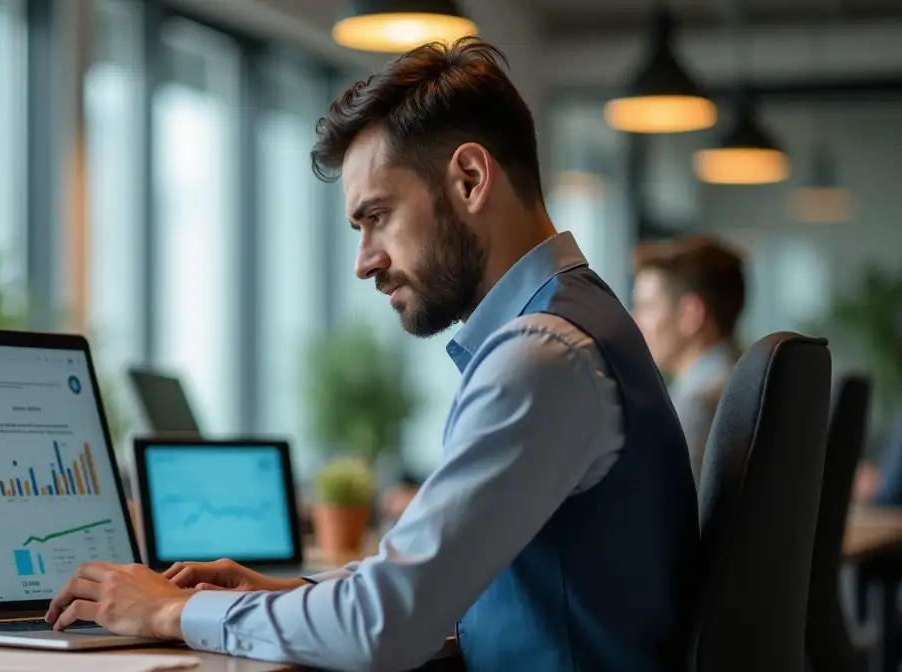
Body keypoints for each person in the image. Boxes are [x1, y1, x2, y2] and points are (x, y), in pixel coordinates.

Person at [45, 37, 700, 672]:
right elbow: (434, 591)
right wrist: (286, 595)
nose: (364, 263)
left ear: (470, 180)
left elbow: (384, 627)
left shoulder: (543, 355)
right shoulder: (577, 323)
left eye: (377, 216)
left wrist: (169, 611)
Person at [630, 236, 746, 485]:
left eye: (647, 307)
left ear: (690, 314)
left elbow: (670, 507)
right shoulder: (745, 382)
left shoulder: (695, 404)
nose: (635, 322)